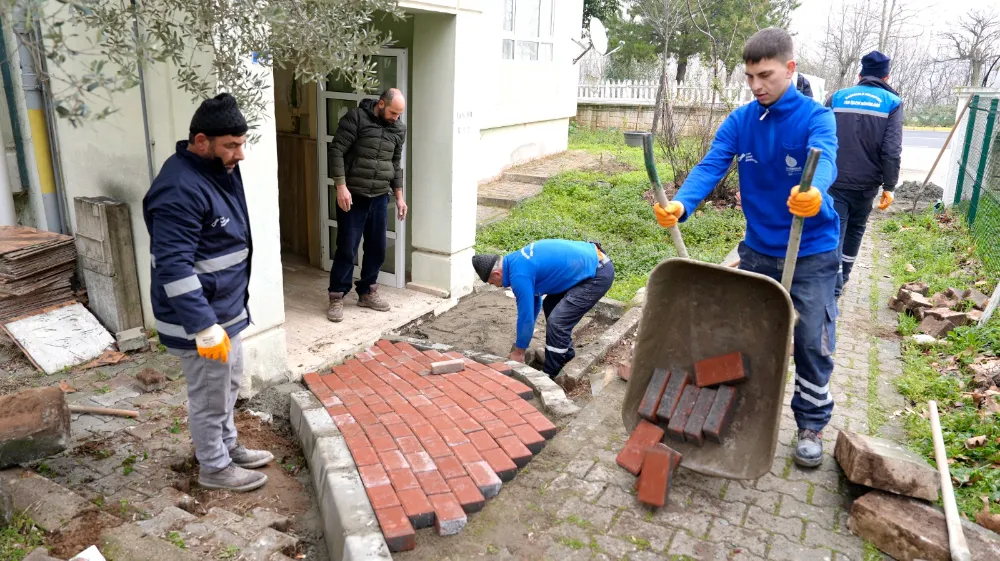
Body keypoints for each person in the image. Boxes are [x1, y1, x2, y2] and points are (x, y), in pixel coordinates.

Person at [653, 28, 841, 468]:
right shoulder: (741, 121)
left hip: (810, 249)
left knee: (811, 338)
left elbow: (825, 157)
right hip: (758, 251)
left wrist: (815, 191)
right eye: (750, 76)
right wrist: (683, 203)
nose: (756, 85)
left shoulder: (817, 117)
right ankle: (744, 411)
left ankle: (811, 422)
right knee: (749, 337)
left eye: (766, 75)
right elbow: (711, 163)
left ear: (789, 70)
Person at [143, 93, 273, 491]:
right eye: (231, 145)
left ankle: (227, 446)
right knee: (210, 397)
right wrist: (204, 327)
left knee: (228, 386)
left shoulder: (219, 172)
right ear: (201, 141)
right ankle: (215, 468)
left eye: (241, 144)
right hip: (201, 322)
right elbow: (173, 266)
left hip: (226, 312)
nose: (240, 154)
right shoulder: (179, 189)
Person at [471, 240, 615, 379]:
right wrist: (520, 345)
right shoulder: (515, 261)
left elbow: (525, 316)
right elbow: (534, 304)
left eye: (494, 283)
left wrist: (519, 352)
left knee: (557, 322)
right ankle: (566, 355)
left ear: (497, 274)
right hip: (588, 265)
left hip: (597, 274)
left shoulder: (519, 275)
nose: (497, 286)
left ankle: (551, 372)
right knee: (550, 305)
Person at [326, 88, 408, 322]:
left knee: (377, 247)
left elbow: (395, 163)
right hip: (353, 195)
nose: (396, 118)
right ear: (381, 104)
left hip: (380, 196)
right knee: (347, 247)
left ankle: (367, 292)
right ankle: (337, 295)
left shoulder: (398, 129)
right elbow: (337, 151)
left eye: (399, 114)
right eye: (393, 112)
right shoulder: (356, 118)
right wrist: (340, 186)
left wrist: (400, 196)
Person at [827, 51, 902, 298]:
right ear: (887, 76)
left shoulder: (837, 97)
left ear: (859, 74)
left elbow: (819, 135)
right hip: (866, 185)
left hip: (833, 179)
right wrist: (889, 186)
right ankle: (842, 278)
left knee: (835, 229)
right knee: (856, 228)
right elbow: (891, 149)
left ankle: (833, 283)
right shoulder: (892, 102)